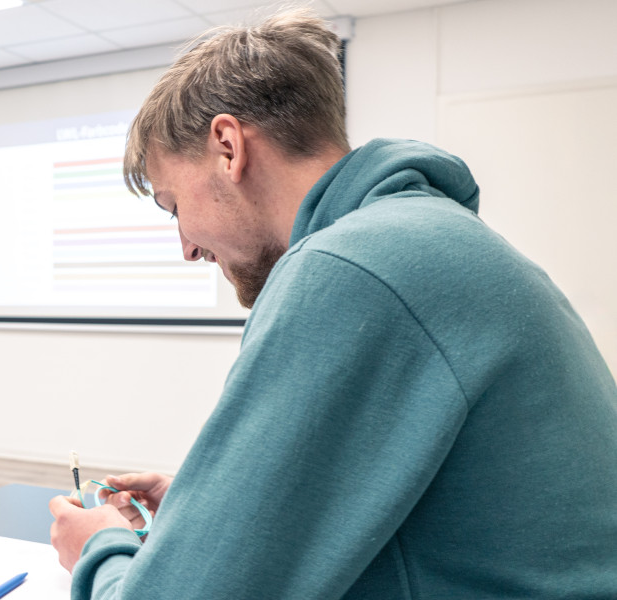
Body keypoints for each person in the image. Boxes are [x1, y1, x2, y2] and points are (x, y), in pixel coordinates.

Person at [48, 9, 617, 599]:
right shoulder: (424, 239)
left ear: (227, 146)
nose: (187, 247)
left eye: (173, 206)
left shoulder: (351, 268)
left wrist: (98, 548)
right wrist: (211, 517)